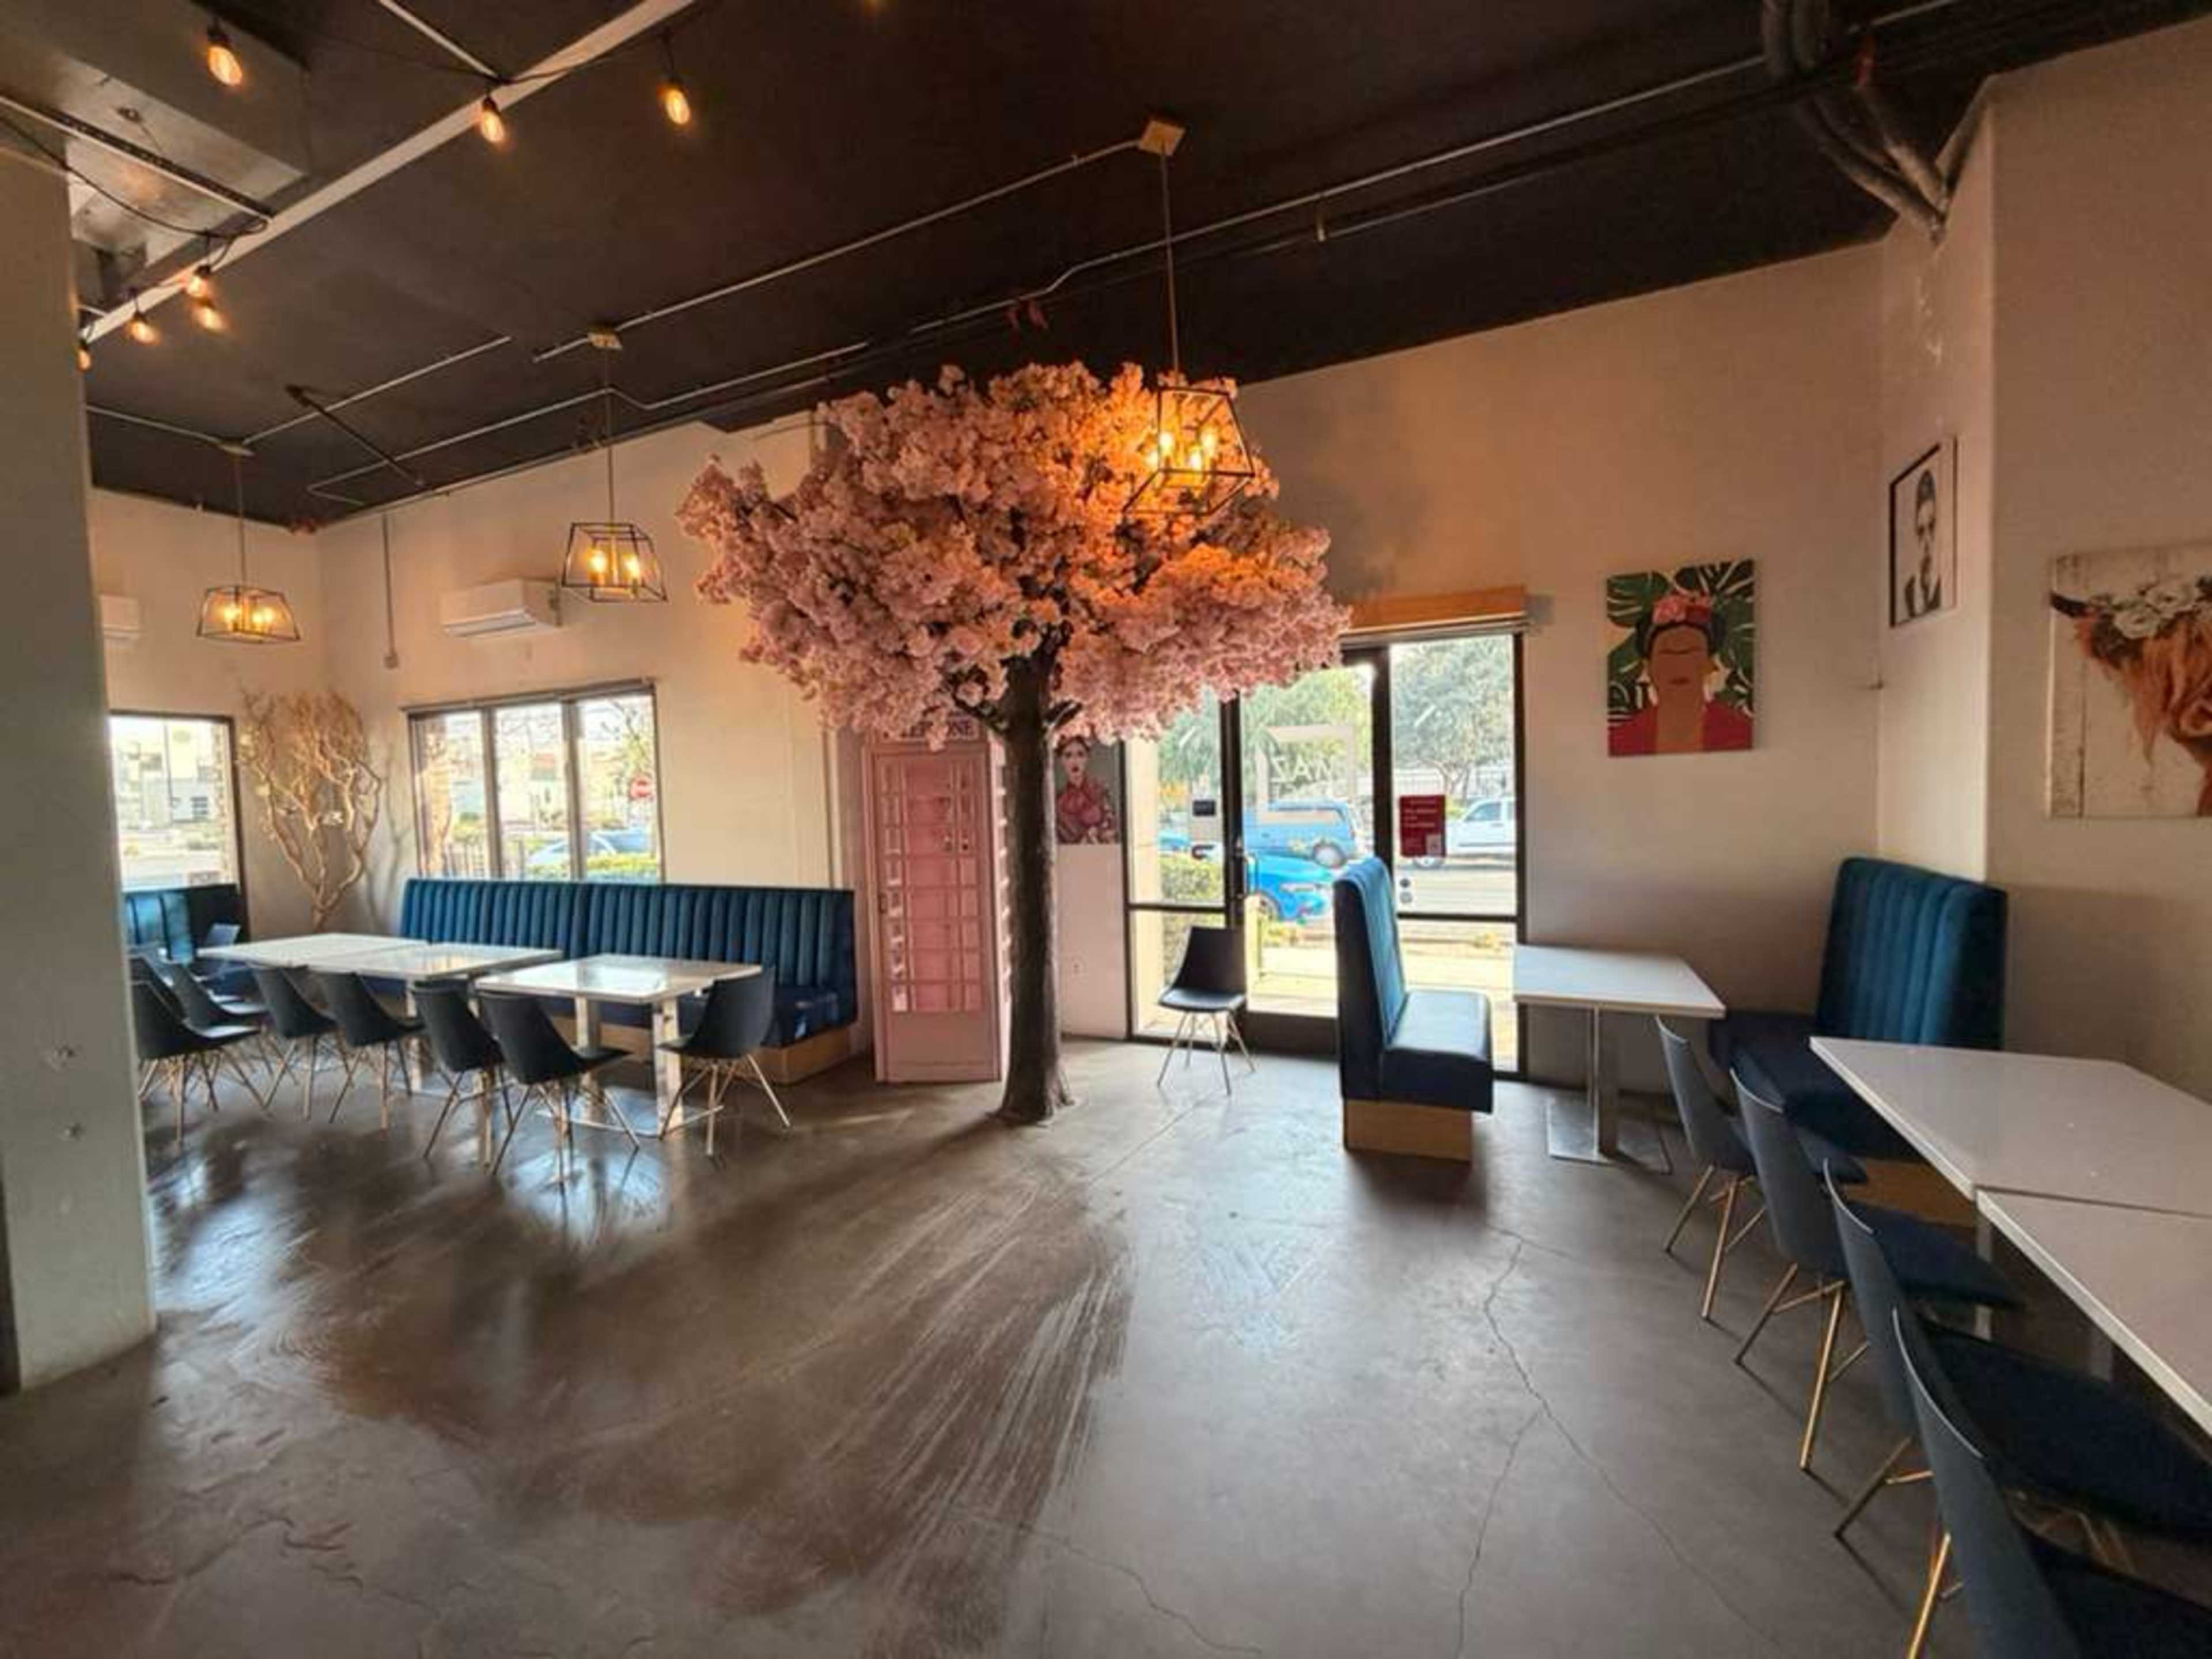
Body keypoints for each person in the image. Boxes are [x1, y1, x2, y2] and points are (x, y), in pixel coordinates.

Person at [1609, 590, 1753, 756]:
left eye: (1690, 653)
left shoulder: (1739, 731)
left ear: (1709, 663)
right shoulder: (1623, 739)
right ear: (1649, 667)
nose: (1679, 665)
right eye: (1668, 654)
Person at [1054, 736, 1120, 843]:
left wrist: (1094, 835)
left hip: (1102, 854)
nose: (1075, 761)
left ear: (1087, 758)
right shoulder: (1058, 801)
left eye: (1080, 755)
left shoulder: (1100, 792)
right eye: (1068, 756)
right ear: (1061, 760)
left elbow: (1112, 828)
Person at [1899, 466, 1943, 620]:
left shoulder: (1944, 586)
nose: (1926, 542)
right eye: (1920, 531)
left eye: (1932, 527)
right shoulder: (1910, 590)